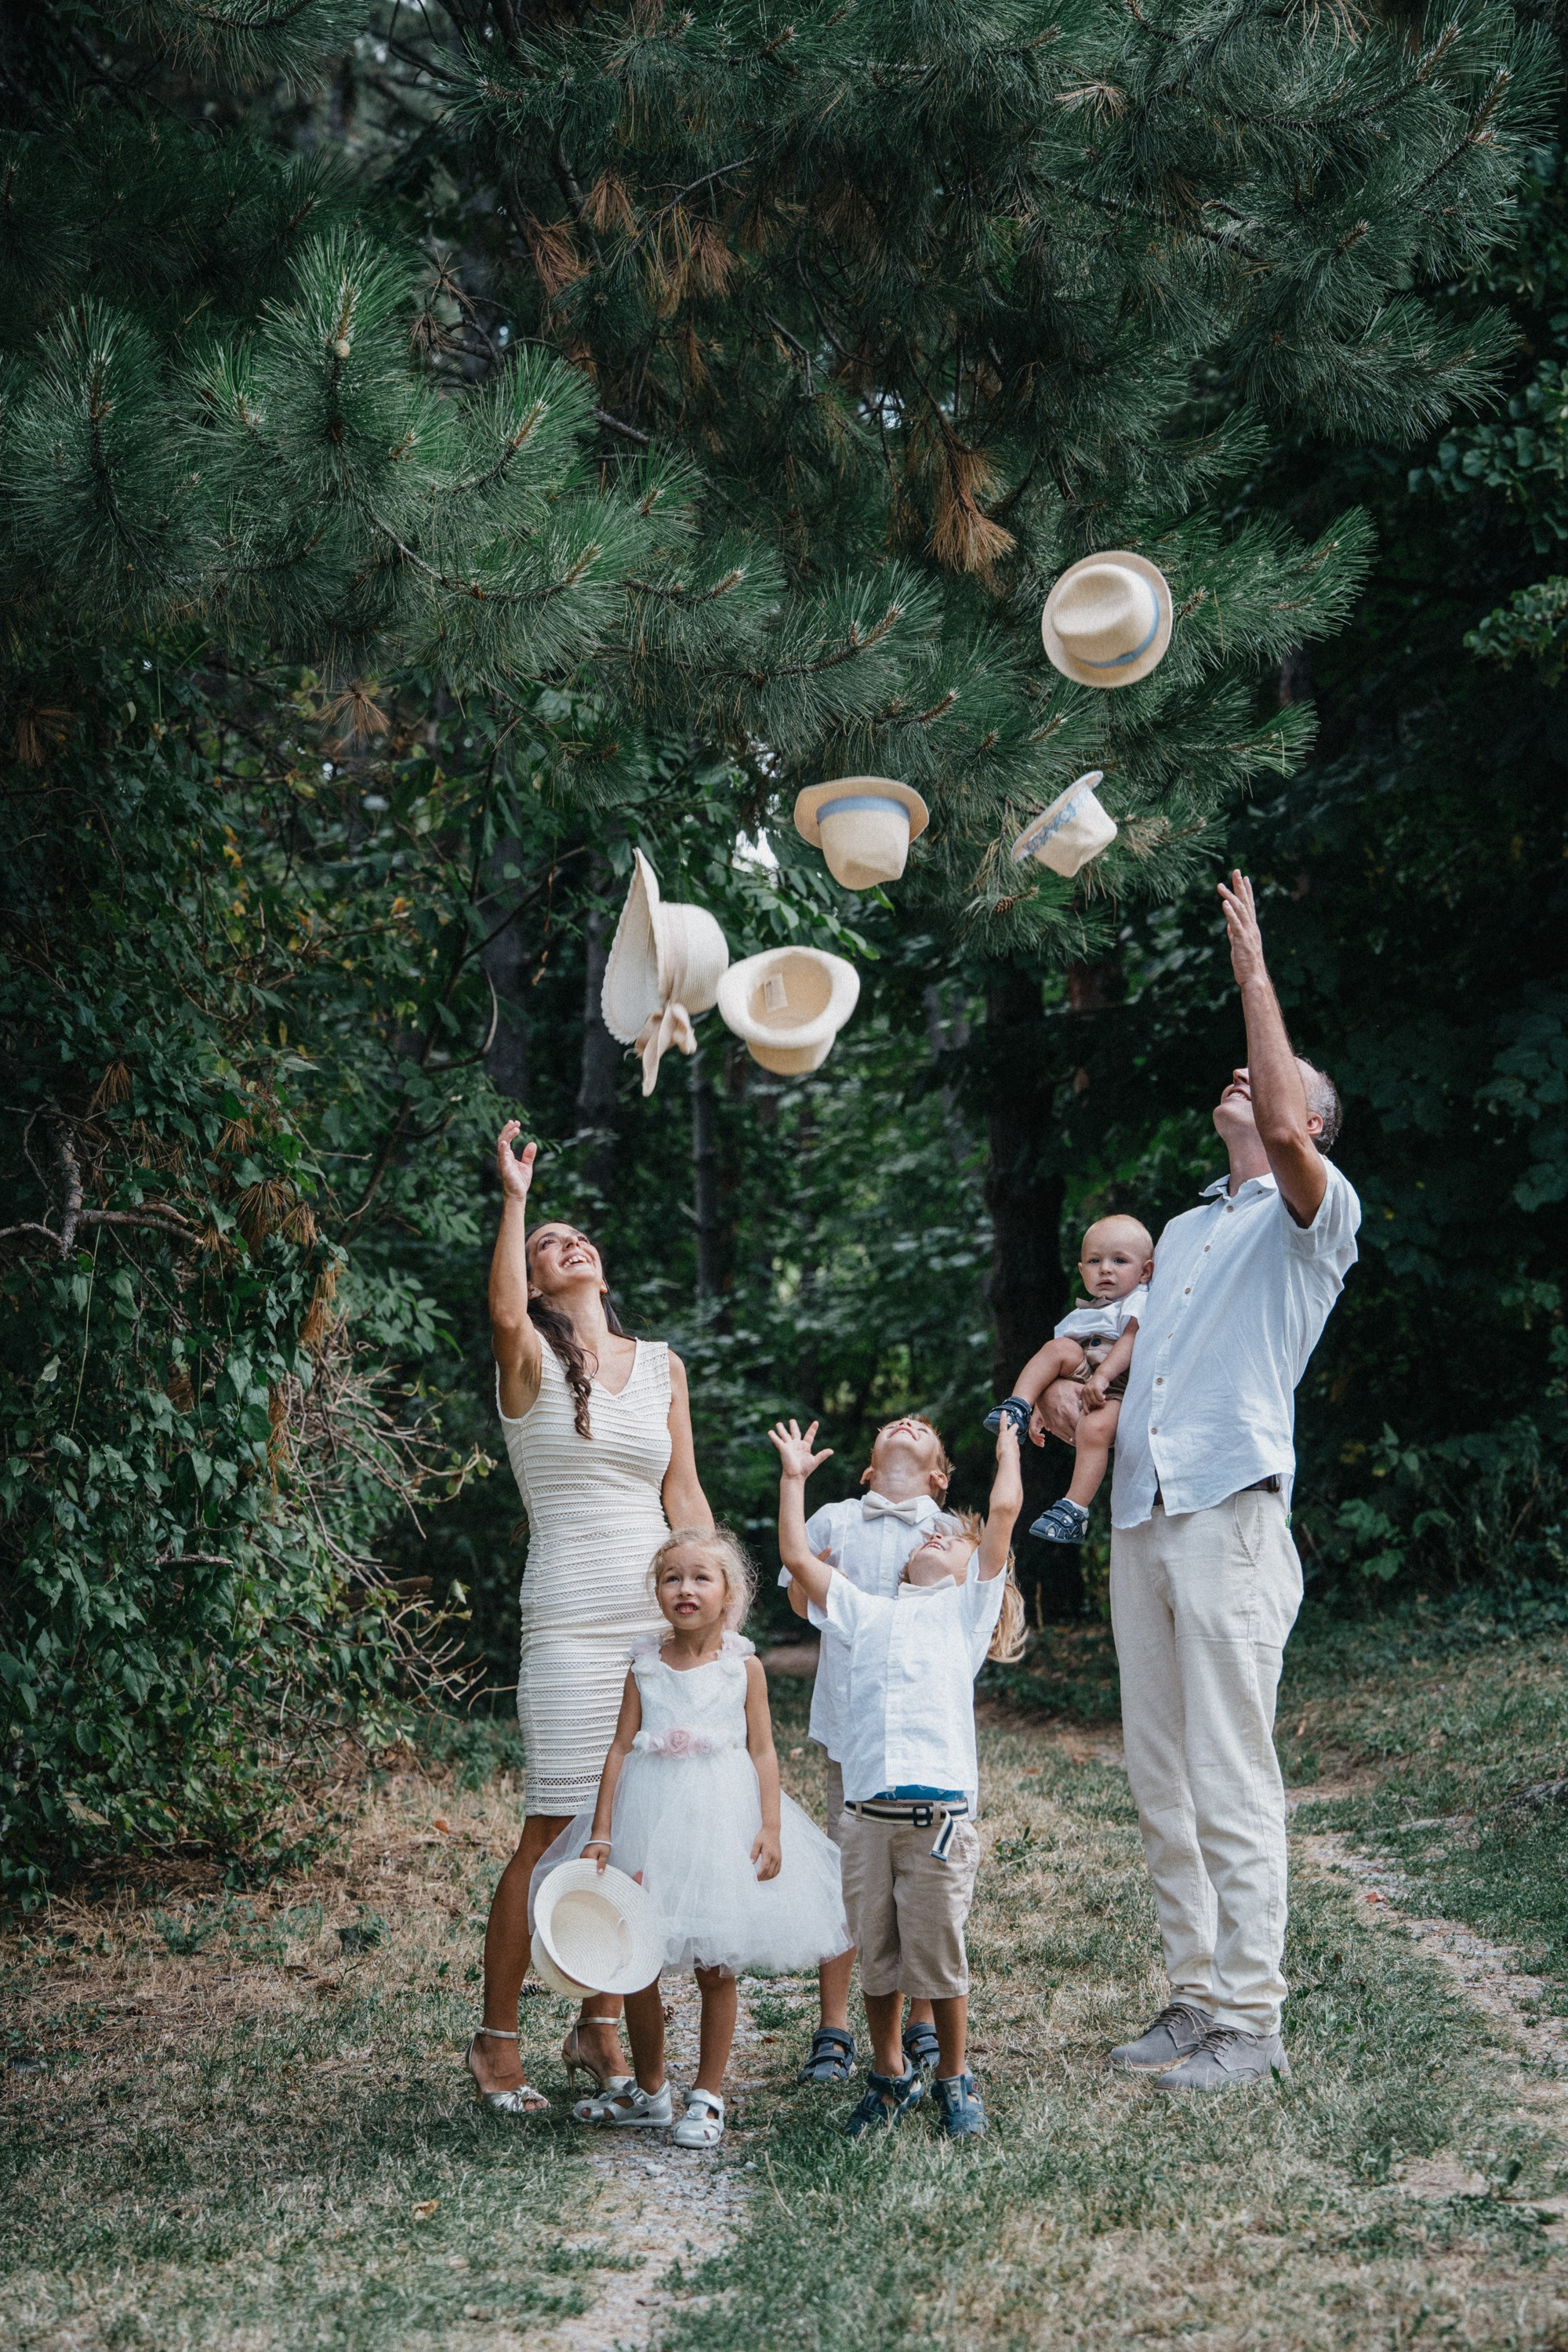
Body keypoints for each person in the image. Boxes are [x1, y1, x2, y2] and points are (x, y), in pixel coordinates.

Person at [1093, 872, 1360, 2092]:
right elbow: (1135, 1365)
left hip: (1231, 1521)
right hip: (1142, 1518)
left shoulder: (1314, 1215)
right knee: (1160, 1774)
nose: (1246, 1079)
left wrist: (1255, 972)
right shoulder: (1192, 1227)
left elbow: (1293, 1129)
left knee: (1230, 1772)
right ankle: (1195, 1998)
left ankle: (1254, 2022)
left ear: (1313, 1118)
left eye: (1274, 1075)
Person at [467, 1122, 714, 2116]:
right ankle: (495, 2042)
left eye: (576, 1235)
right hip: (570, 1619)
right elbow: (495, 1309)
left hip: (649, 1618)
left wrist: (712, 1607)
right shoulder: (525, 1354)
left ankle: (600, 2023)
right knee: (557, 1822)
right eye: (545, 1246)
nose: (567, 1244)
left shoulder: (661, 1365)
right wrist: (515, 1199)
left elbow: (684, 1494)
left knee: (639, 1830)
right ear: (530, 1284)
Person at [769, 1416, 1026, 2140]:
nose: (934, 1538)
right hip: (867, 1815)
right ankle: (888, 2074)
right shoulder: (865, 1611)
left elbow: (1001, 1512)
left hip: (940, 1822)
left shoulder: (966, 1616)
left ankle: (954, 2074)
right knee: (875, 1954)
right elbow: (796, 1553)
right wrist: (794, 1478)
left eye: (949, 1540)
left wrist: (1009, 1443)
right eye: (930, 1537)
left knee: (939, 1955)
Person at [552, 1528, 848, 2147]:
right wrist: (602, 1830)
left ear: (730, 1593)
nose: (684, 1589)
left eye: (700, 1578)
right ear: (657, 1590)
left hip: (721, 1820)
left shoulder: (744, 1667)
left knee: (717, 1964)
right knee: (637, 1961)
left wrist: (769, 1826)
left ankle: (708, 2094)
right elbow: (618, 1749)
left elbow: (763, 1751)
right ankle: (652, 2092)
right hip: (647, 1818)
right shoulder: (644, 1665)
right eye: (671, 1578)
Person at [776, 1414, 957, 2088]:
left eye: (921, 1428)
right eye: (893, 1423)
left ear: (937, 1476)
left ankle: (921, 2021)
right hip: (851, 1728)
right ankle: (835, 2026)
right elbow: (801, 1599)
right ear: (867, 1471)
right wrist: (807, 1578)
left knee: (920, 1882)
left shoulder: (951, 1533)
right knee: (851, 1878)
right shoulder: (833, 1518)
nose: (905, 1422)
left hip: (920, 1734)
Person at [983, 1214, 1155, 1543]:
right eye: (1094, 1261)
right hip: (1084, 1375)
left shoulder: (1139, 1301)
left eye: (1119, 1260)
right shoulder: (1082, 1314)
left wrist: (1102, 1377)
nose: (1105, 1269)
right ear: (1081, 1271)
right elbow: (1057, 1366)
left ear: (1145, 1271)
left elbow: (1130, 1342)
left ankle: (1074, 1508)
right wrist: (1041, 1409)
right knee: (1057, 1347)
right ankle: (1019, 1404)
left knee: (1094, 1429)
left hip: (1117, 1389)